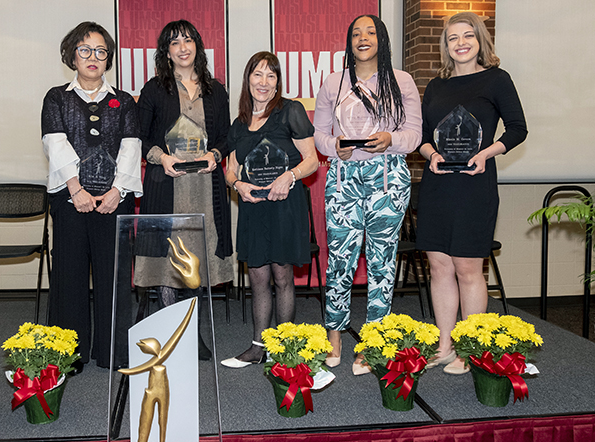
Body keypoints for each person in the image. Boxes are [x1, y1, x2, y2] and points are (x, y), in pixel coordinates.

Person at [416, 12, 527, 374]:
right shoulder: (435, 86)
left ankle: (469, 348)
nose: (460, 43)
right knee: (438, 266)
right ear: (445, 46)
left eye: (467, 36)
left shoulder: (497, 80)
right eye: (452, 38)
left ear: (480, 40)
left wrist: (486, 153)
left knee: (467, 267)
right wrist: (431, 154)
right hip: (437, 186)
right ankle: (445, 345)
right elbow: (422, 136)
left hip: (475, 185)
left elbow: (518, 128)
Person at [313, 15, 422, 375]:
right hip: (343, 178)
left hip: (387, 178)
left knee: (381, 261)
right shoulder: (333, 82)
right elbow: (319, 136)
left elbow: (415, 133)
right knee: (340, 259)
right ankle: (335, 334)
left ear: (382, 39)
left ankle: (375, 338)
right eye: (356, 33)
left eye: (370, 32)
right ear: (349, 41)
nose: (363, 38)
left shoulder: (401, 80)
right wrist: (335, 147)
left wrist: (391, 140)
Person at [41, 22, 142, 373]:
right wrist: (76, 190)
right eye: (85, 50)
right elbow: (56, 143)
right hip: (71, 202)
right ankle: (70, 354)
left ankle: (112, 351)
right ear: (72, 55)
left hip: (115, 201)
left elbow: (131, 147)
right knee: (69, 274)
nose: (93, 58)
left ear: (108, 58)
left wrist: (117, 191)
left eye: (101, 51)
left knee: (113, 275)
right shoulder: (57, 98)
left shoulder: (124, 101)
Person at [134, 20, 234, 361]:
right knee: (167, 261)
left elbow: (225, 136)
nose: (182, 47)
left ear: (198, 47)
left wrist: (215, 155)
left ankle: (190, 331)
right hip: (167, 186)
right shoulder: (153, 89)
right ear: (166, 51)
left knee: (198, 258)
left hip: (205, 186)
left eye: (188, 40)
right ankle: (168, 330)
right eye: (174, 42)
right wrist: (160, 157)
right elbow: (140, 137)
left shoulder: (215, 89)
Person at [220, 51, 319, 368]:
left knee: (282, 277)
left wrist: (288, 177)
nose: (263, 82)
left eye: (270, 75)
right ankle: (257, 346)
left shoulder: (291, 111)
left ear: (278, 82)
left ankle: (285, 348)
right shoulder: (240, 123)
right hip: (253, 209)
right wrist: (238, 186)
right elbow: (230, 169)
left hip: (284, 205)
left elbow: (312, 161)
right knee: (258, 278)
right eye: (257, 74)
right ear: (248, 79)